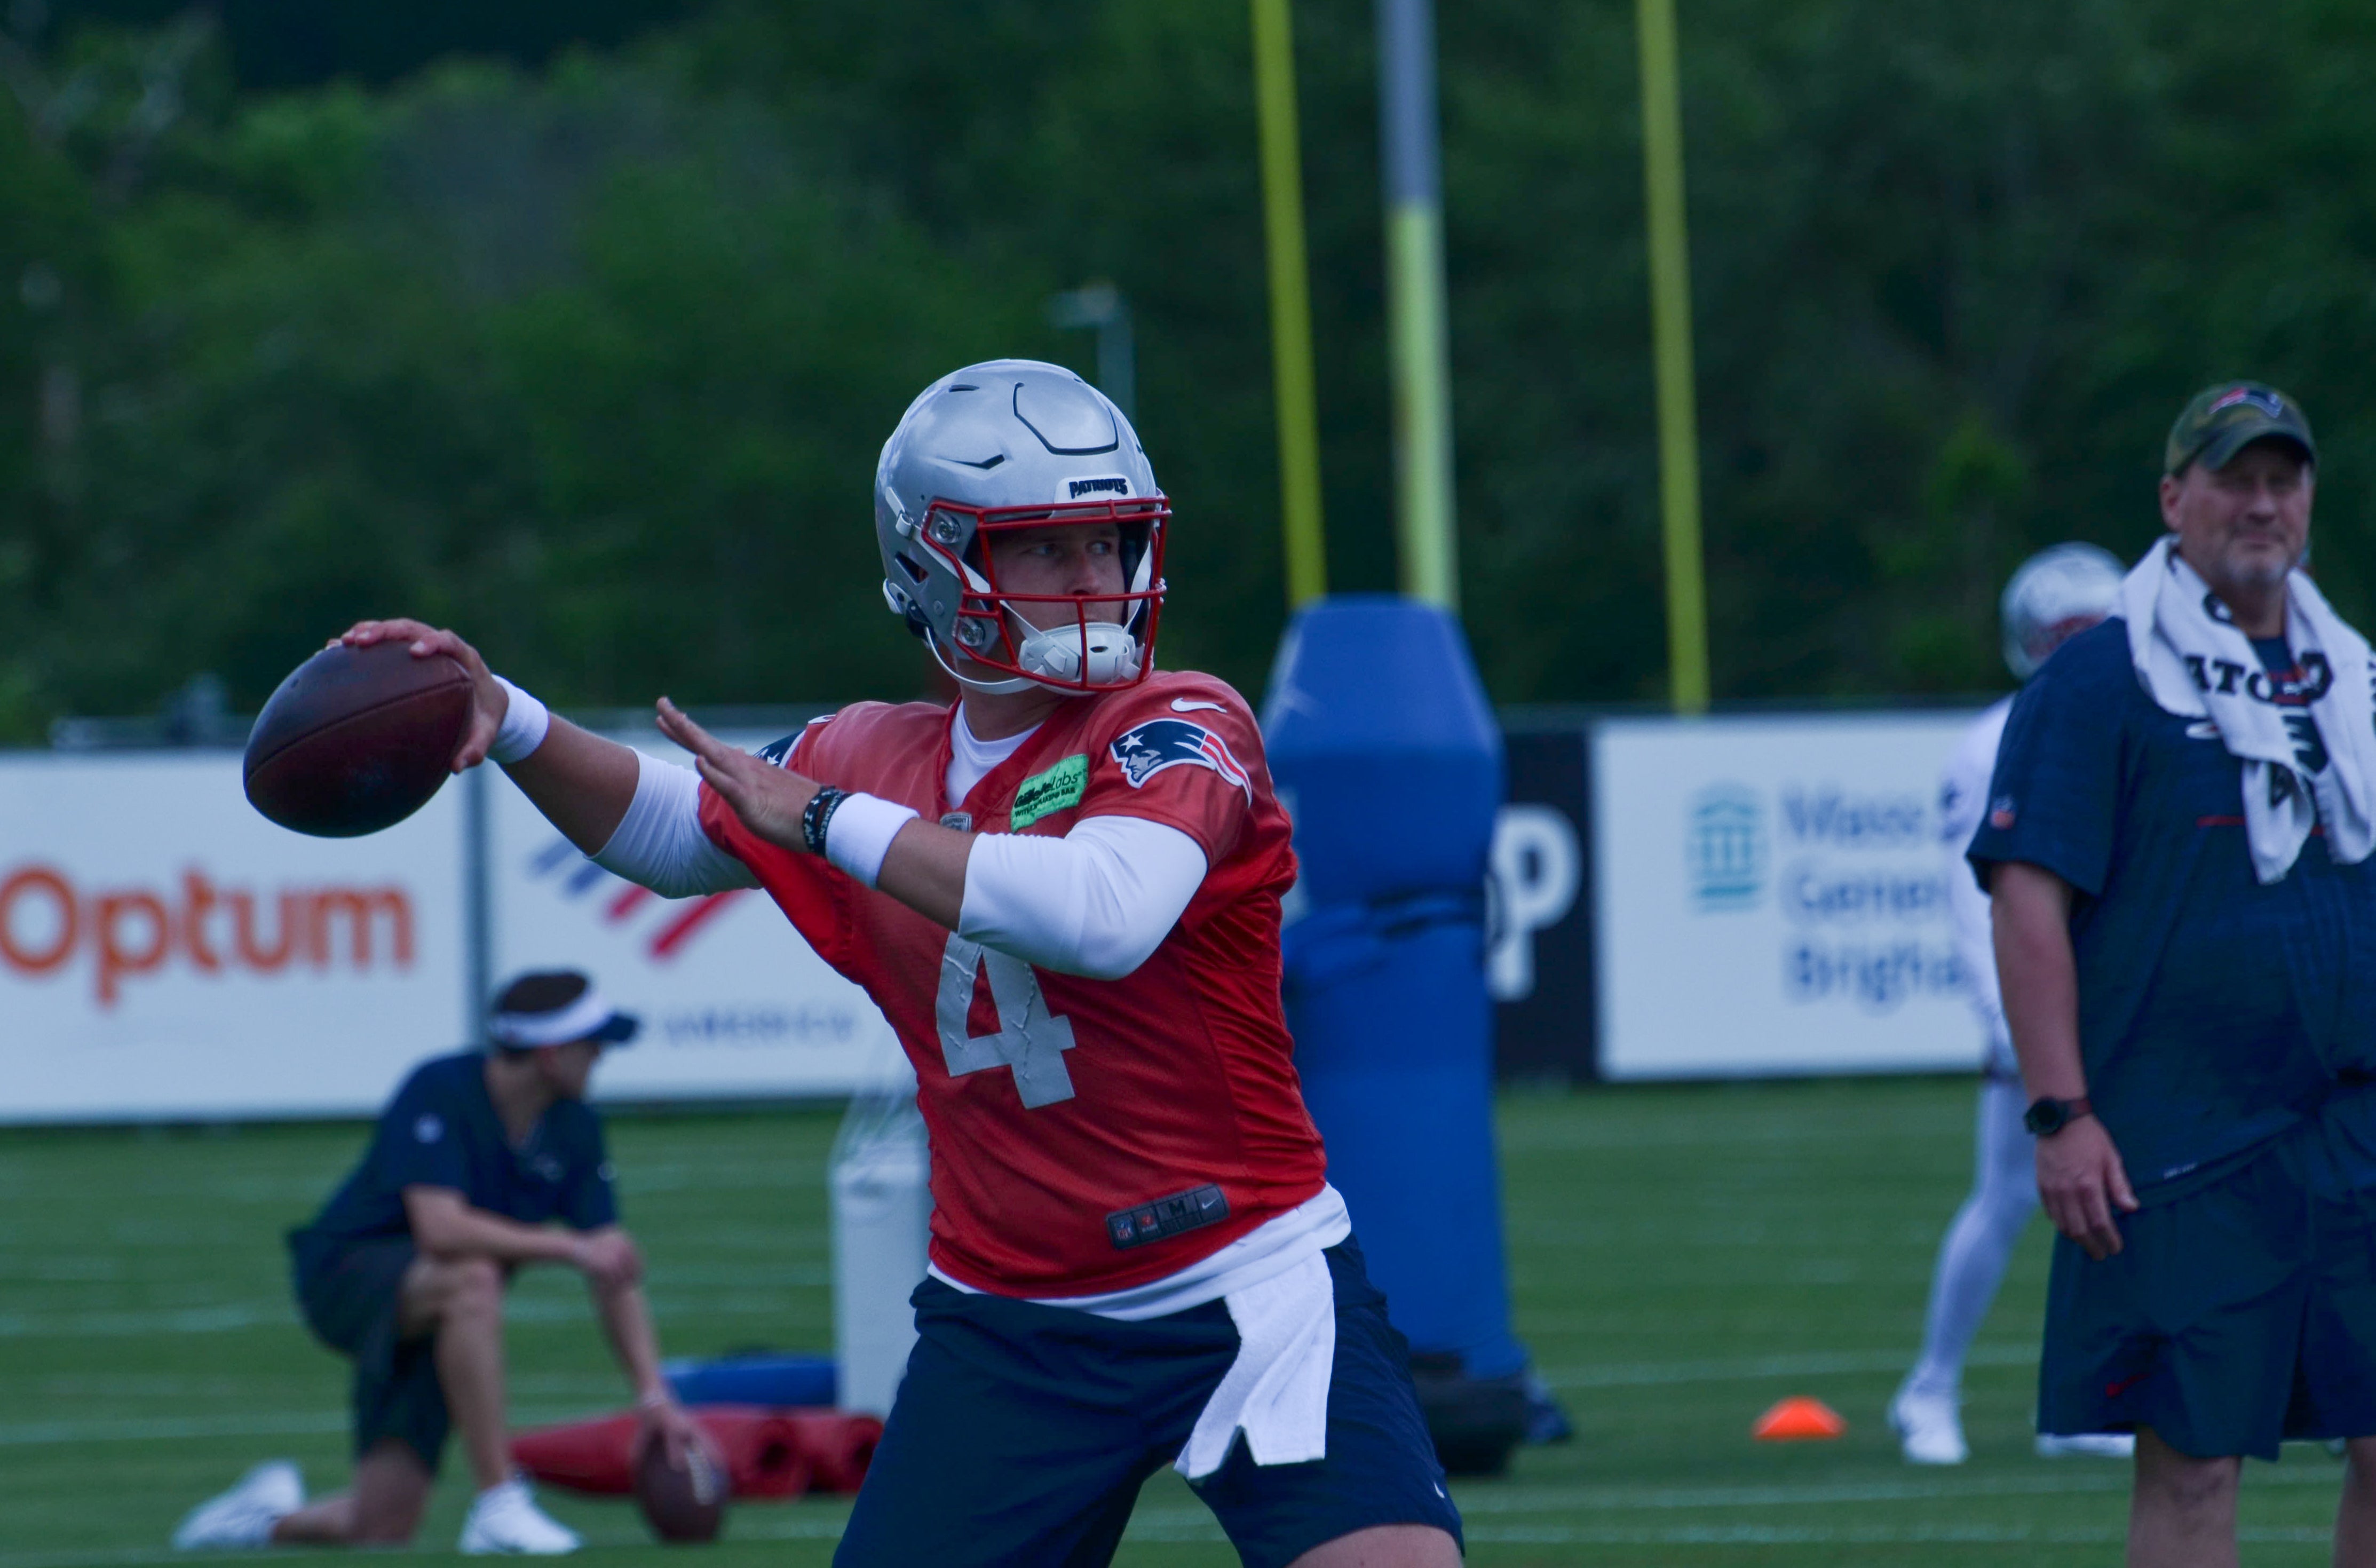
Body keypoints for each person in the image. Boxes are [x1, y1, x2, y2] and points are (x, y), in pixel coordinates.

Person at [329, 360, 1463, 1568]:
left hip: (1250, 1281)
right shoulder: (869, 754)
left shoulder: (1178, 718)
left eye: (1111, 543)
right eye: (1047, 549)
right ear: (938, 561)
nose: (1096, 582)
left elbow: (1105, 911)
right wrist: (508, 719)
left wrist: (824, 819)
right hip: (1014, 1321)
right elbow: (673, 832)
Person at [1972, 382, 2376, 1566]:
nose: (2261, 503)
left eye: (2282, 479)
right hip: (2181, 1137)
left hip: (2354, 1125)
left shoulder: (2354, 677)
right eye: (2234, 479)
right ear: (2174, 498)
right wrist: (2062, 1112)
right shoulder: (2105, 679)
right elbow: (2028, 895)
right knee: (2195, 1466)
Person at [172, 971, 705, 1555]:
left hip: (440, 1313)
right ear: (551, 1055)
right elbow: (441, 1228)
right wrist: (571, 1248)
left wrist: (656, 1398)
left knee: (381, 1528)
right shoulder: (441, 1088)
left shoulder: (575, 1126)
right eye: (592, 1043)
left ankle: (262, 1519)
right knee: (473, 1278)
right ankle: (500, 1501)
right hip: (346, 1277)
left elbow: (613, 1266)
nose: (603, 1055)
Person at [1889, 543, 2134, 1466]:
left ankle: (2081, 1398)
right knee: (2003, 1199)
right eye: (2060, 632)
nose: (2077, 648)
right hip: (2036, 1016)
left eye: (2093, 630)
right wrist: (2003, 1019)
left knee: (2122, 1200)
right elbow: (1977, 898)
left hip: (2119, 1007)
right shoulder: (1995, 740)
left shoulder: (2139, 726)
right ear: (2026, 643)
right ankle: (1930, 1388)